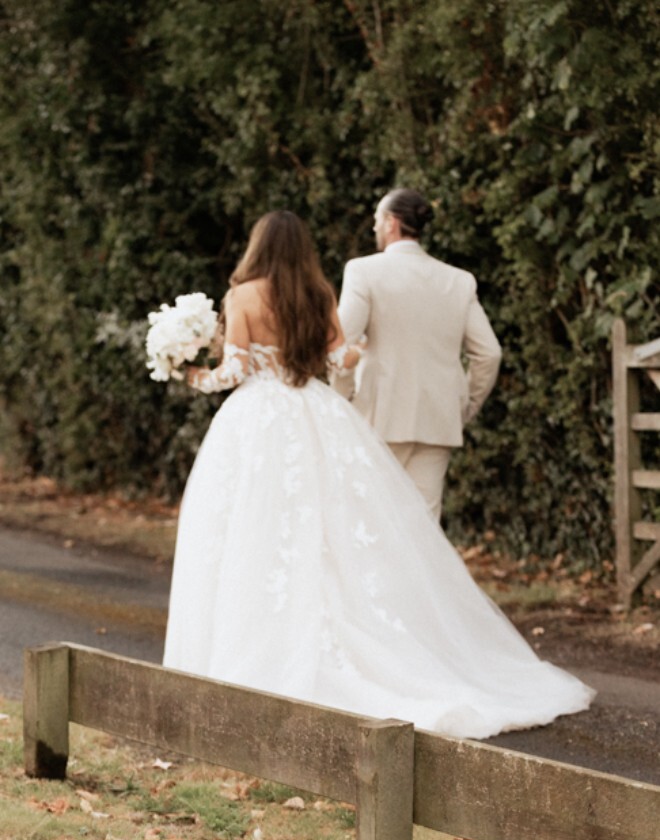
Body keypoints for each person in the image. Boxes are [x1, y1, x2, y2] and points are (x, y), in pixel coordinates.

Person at [162, 210, 593, 740]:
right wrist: (359, 351)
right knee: (335, 528)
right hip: (314, 411)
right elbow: (341, 358)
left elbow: (232, 374)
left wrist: (193, 373)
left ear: (257, 246)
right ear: (303, 248)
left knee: (256, 527)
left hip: (259, 420)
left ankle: (256, 645)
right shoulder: (319, 293)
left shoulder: (243, 296)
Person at [331, 188, 502, 519]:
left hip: (378, 417)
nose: (374, 229)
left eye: (377, 221)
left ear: (392, 223)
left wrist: (343, 395)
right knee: (425, 531)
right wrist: (466, 407)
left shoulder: (363, 271)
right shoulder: (458, 280)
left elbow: (339, 343)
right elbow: (490, 354)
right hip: (438, 419)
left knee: (372, 521)